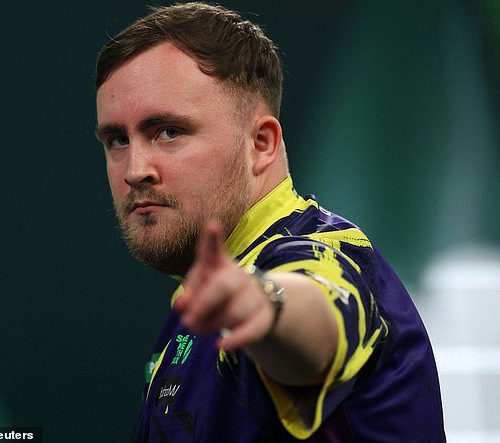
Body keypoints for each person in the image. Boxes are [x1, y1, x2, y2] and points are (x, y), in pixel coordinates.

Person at [94, 3, 445, 441]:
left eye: (169, 131)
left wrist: (265, 304)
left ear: (261, 144)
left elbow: (317, 314)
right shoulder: (193, 311)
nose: (134, 169)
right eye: (117, 140)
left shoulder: (327, 255)